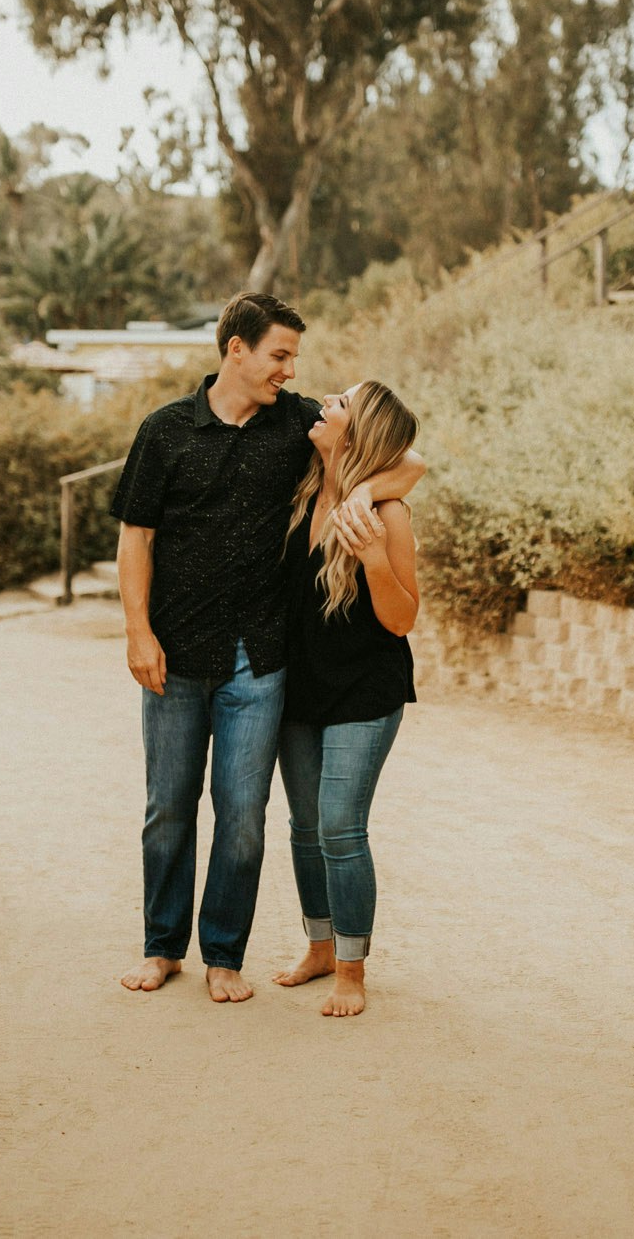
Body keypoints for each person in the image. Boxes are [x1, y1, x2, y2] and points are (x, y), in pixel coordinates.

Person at [111, 295, 423, 1003]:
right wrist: (138, 631)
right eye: (279, 355)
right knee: (168, 808)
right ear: (236, 350)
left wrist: (366, 492)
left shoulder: (298, 424)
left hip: (261, 662)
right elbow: (136, 536)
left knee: (246, 817)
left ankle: (225, 955)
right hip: (177, 653)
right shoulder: (164, 432)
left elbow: (407, 455)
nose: (291, 371)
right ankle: (163, 949)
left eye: (294, 359)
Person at [270, 381, 419, 1018]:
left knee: (339, 825)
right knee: (305, 828)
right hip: (299, 685)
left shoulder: (388, 514)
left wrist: (376, 560)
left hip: (365, 687)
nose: (324, 402)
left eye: (340, 403)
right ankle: (320, 947)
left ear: (356, 433)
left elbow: (402, 619)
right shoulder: (304, 485)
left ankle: (352, 970)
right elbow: (416, 462)